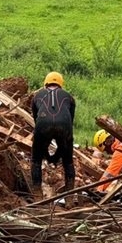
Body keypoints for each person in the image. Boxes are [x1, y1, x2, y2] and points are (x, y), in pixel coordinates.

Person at [30, 71, 76, 203]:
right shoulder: (69, 98)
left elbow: (37, 121)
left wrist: (47, 155)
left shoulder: (36, 96)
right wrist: (56, 157)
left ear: (46, 84)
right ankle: (69, 198)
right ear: (61, 84)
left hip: (43, 124)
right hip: (64, 125)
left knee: (36, 159)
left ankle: (38, 196)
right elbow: (70, 121)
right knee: (68, 161)